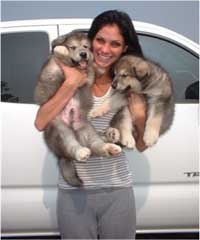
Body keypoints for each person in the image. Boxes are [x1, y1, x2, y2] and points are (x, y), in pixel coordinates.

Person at [35, 10, 147, 239]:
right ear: (91, 40)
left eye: (115, 44)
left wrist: (140, 117)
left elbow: (142, 145)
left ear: (124, 48)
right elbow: (41, 122)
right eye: (100, 40)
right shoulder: (68, 73)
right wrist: (69, 84)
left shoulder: (128, 83)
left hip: (117, 191)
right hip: (75, 194)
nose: (105, 50)